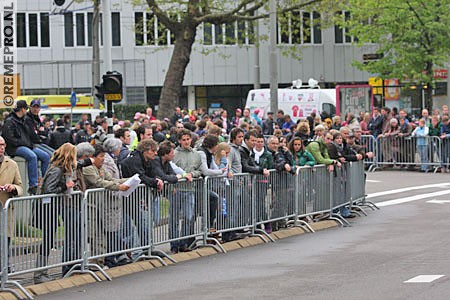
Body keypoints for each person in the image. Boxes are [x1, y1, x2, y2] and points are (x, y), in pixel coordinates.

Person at [34, 143, 77, 283]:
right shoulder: (57, 170)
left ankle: (41, 272)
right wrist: (65, 186)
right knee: (47, 240)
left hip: (52, 207)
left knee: (49, 240)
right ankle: (39, 273)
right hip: (48, 208)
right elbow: (48, 190)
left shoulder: (57, 168)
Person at [2, 100, 50, 195]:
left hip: (26, 145)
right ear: (23, 109)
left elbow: (30, 135)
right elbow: (9, 138)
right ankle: (33, 185)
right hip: (15, 148)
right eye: (26, 108)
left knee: (46, 156)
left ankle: (46, 181)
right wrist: (24, 143)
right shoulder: (10, 121)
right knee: (32, 157)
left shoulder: (23, 120)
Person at [172, 129, 203, 253]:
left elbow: (200, 170)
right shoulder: (174, 153)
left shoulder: (196, 154)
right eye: (183, 140)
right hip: (176, 189)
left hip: (190, 189)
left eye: (188, 139)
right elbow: (170, 169)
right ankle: (174, 244)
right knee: (174, 218)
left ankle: (183, 242)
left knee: (188, 217)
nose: (186, 142)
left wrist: (192, 174)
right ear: (179, 141)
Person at [0, 136, 23, 272]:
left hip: (4, 208)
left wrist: (13, 188)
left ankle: (5, 267)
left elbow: (20, 186)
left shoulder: (12, 164)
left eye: (3, 145)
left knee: (4, 239)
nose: (1, 148)